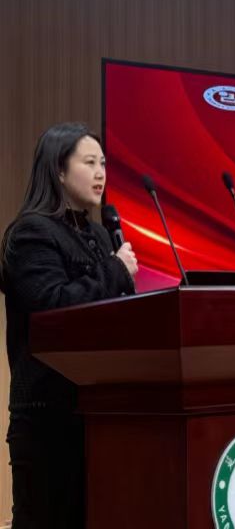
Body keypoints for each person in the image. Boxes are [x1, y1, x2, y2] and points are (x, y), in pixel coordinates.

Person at [0, 122, 139, 528]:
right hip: (48, 417)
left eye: (104, 164)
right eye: (89, 163)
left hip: (100, 411)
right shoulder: (31, 233)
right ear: (59, 170)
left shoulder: (99, 235)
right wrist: (115, 271)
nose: (101, 173)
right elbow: (54, 308)